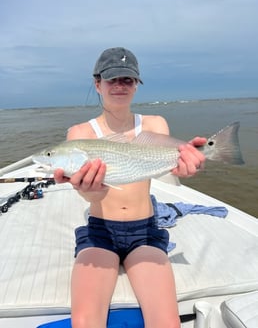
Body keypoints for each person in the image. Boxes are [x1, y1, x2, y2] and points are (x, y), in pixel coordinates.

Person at [54, 47, 206, 328]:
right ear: (98, 84)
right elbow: (90, 195)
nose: (120, 86)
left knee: (167, 324)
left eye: (128, 79)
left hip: (145, 232)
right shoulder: (80, 134)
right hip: (101, 232)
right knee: (85, 323)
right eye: (113, 80)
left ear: (137, 85)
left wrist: (189, 161)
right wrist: (89, 189)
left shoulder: (154, 124)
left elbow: (166, 163)